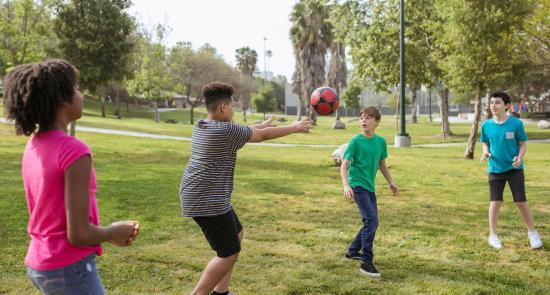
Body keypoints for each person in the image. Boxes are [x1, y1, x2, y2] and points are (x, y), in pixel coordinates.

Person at [3, 59, 140, 294]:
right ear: (61, 100)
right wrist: (113, 232)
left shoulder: (34, 145)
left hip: (40, 262)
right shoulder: (74, 151)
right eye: (76, 88)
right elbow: (78, 234)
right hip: (68, 268)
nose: (81, 93)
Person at [179, 82, 313, 295]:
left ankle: (221, 292)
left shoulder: (204, 124)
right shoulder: (226, 130)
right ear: (223, 107)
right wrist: (294, 128)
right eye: (232, 106)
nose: (234, 110)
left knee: (237, 234)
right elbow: (261, 136)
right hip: (206, 199)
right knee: (228, 253)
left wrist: (262, 123)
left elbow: (249, 130)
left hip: (205, 195)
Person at [340, 106, 397, 278]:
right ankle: (366, 261)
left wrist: (391, 182)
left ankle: (352, 251)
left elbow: (382, 165)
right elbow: (344, 165)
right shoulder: (355, 141)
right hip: (357, 185)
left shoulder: (380, 142)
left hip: (369, 187)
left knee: (372, 221)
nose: (363, 120)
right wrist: (346, 185)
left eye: (369, 117)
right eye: (361, 117)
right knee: (371, 219)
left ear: (377, 122)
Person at [480, 91, 542, 250]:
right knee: (495, 202)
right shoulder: (486, 125)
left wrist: (520, 157)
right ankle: (492, 235)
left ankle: (532, 233)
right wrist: (485, 152)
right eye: (492, 102)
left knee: (520, 201)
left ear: (507, 106)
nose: (493, 105)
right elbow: (485, 143)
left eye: (497, 102)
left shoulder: (516, 124)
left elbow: (522, 144)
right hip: (495, 168)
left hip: (514, 168)